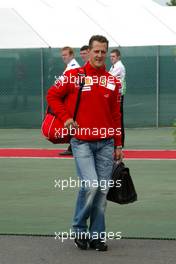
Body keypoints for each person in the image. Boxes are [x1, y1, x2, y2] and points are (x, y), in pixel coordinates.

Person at [47, 35, 123, 251]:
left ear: (106, 53)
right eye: (96, 51)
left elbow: (116, 114)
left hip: (107, 143)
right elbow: (52, 96)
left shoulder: (112, 80)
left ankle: (97, 236)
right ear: (88, 52)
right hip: (81, 142)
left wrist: (118, 144)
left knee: (102, 190)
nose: (99, 55)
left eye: (103, 52)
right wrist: (66, 118)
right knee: (90, 185)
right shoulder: (72, 76)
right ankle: (79, 229)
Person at [59, 47, 80, 156]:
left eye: (65, 55)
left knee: (73, 123)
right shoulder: (70, 66)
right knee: (72, 124)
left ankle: (74, 147)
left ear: (72, 55)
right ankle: (73, 147)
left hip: (73, 100)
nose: (63, 57)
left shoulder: (73, 67)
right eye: (62, 55)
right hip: (71, 99)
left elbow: (64, 83)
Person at [109, 49, 126, 147]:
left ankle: (120, 143)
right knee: (115, 119)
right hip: (114, 95)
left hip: (118, 96)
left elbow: (108, 77)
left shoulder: (119, 66)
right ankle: (116, 141)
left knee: (118, 119)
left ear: (118, 57)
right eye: (111, 56)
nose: (111, 58)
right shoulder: (114, 66)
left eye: (113, 56)